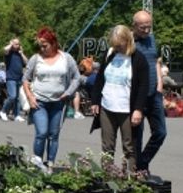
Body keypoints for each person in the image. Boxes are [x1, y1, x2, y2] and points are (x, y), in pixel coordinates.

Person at [90, 25, 150, 173]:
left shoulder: (138, 59)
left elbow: (143, 86)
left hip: (126, 109)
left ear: (127, 40)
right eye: (114, 44)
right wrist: (95, 101)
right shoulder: (109, 54)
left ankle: (130, 177)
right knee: (107, 146)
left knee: (129, 146)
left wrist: (138, 109)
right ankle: (107, 176)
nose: (117, 47)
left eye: (120, 44)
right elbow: (99, 80)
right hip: (107, 106)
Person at [22, 26, 80, 173]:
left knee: (53, 135)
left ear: (53, 43)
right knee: (42, 132)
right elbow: (25, 79)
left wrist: (68, 92)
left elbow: (76, 77)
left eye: (45, 45)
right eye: (40, 45)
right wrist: (30, 97)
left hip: (58, 103)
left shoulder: (66, 58)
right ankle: (37, 163)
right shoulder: (36, 59)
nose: (42, 48)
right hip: (39, 101)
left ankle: (50, 164)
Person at [130, 10, 165, 179]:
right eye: (143, 27)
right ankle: (138, 169)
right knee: (137, 135)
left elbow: (156, 60)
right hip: (136, 95)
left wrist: (159, 82)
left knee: (161, 132)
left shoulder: (152, 38)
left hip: (154, 93)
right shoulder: (128, 42)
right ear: (134, 26)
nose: (146, 31)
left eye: (149, 27)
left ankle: (142, 163)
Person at [0, 38, 28, 122]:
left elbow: (27, 62)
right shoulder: (9, 53)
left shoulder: (19, 54)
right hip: (11, 78)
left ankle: (17, 115)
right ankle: (3, 111)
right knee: (12, 96)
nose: (17, 45)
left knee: (17, 99)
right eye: (16, 44)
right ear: (12, 44)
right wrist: (11, 44)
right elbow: (5, 50)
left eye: (18, 44)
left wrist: (22, 53)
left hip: (19, 78)